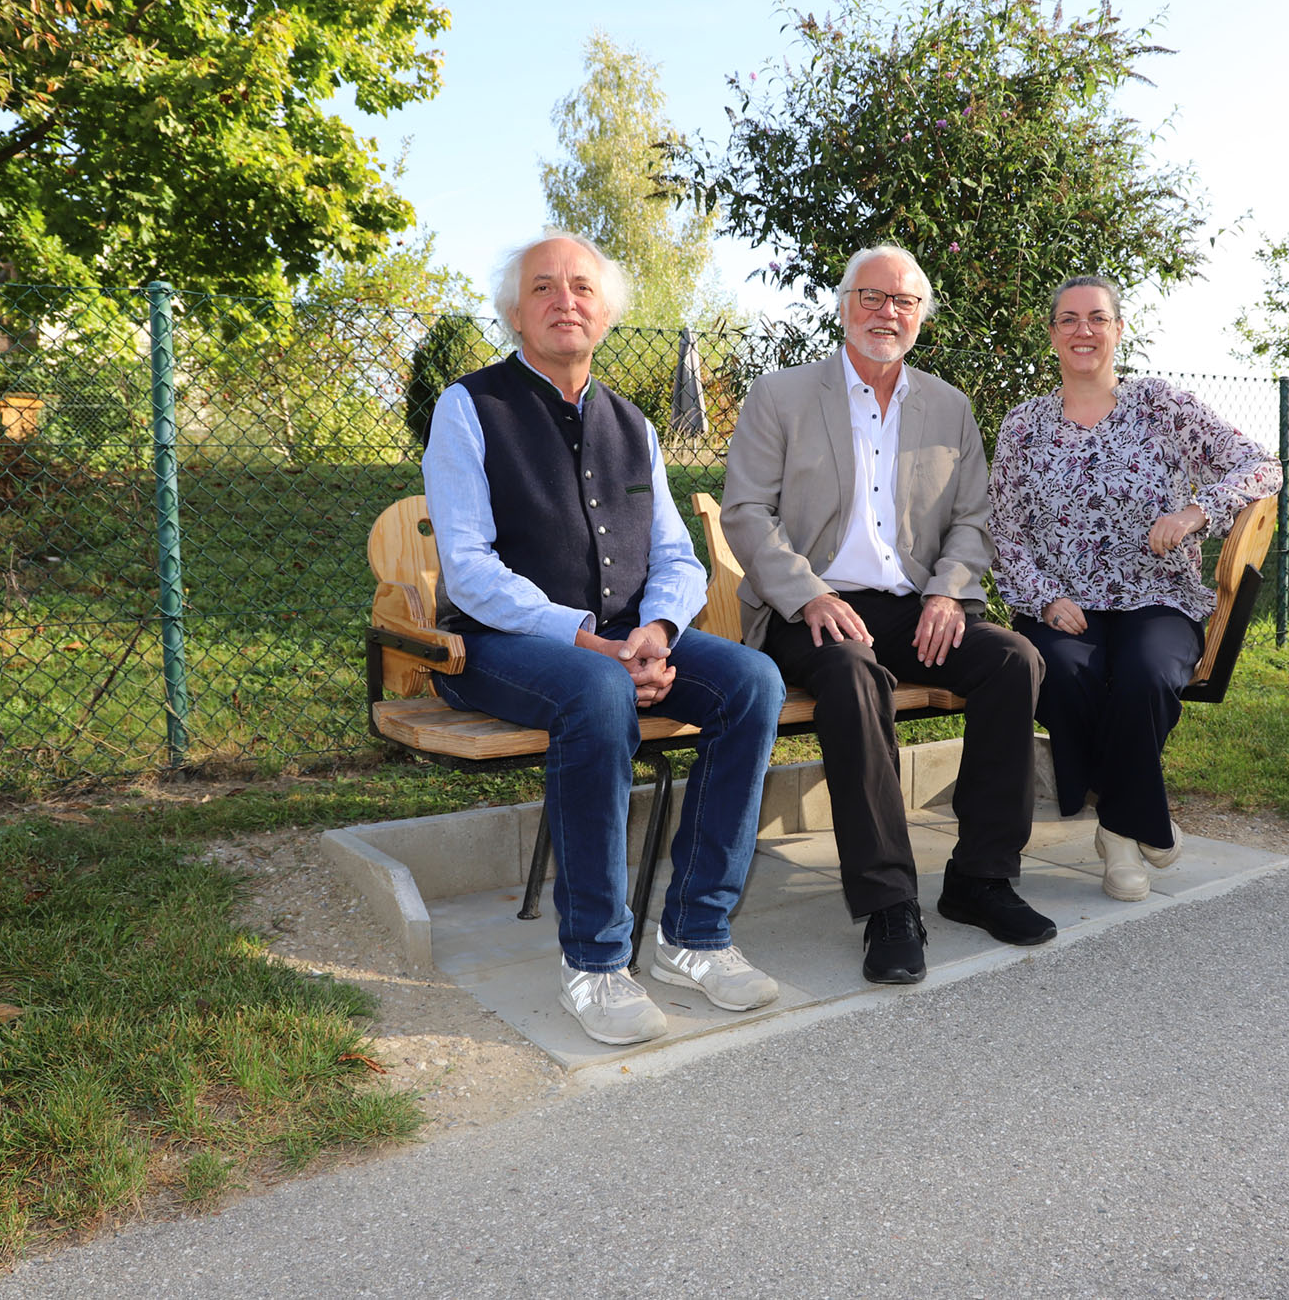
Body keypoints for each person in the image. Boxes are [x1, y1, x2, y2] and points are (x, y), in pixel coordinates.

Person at [421, 231, 786, 1046]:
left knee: (752, 682)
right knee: (596, 690)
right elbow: (470, 570)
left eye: (582, 287)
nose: (565, 300)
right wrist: (591, 641)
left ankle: (695, 936)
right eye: (544, 287)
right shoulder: (469, 407)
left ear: (607, 313)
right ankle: (594, 960)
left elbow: (677, 556)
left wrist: (655, 630)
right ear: (515, 314)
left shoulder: (634, 423)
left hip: (622, 639)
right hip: (494, 644)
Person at [722, 244, 1051, 986]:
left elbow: (974, 519)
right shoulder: (781, 395)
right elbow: (746, 511)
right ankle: (889, 903)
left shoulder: (948, 406)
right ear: (843, 307)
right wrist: (810, 593)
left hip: (913, 605)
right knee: (853, 676)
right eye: (871, 297)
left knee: (1013, 660)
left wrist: (947, 591)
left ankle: (981, 878)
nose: (886, 312)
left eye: (903, 301)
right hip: (808, 606)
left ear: (921, 317)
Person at [988, 275, 1281, 902]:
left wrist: (1196, 512)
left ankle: (1118, 830)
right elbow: (1005, 532)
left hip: (1159, 597)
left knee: (1145, 677)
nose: (1083, 330)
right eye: (1069, 319)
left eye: (1097, 318)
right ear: (1052, 335)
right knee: (1062, 676)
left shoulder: (1160, 406)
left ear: (1119, 330)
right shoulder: (1023, 426)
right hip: (1064, 604)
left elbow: (1262, 465)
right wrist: (1044, 598)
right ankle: (1141, 821)